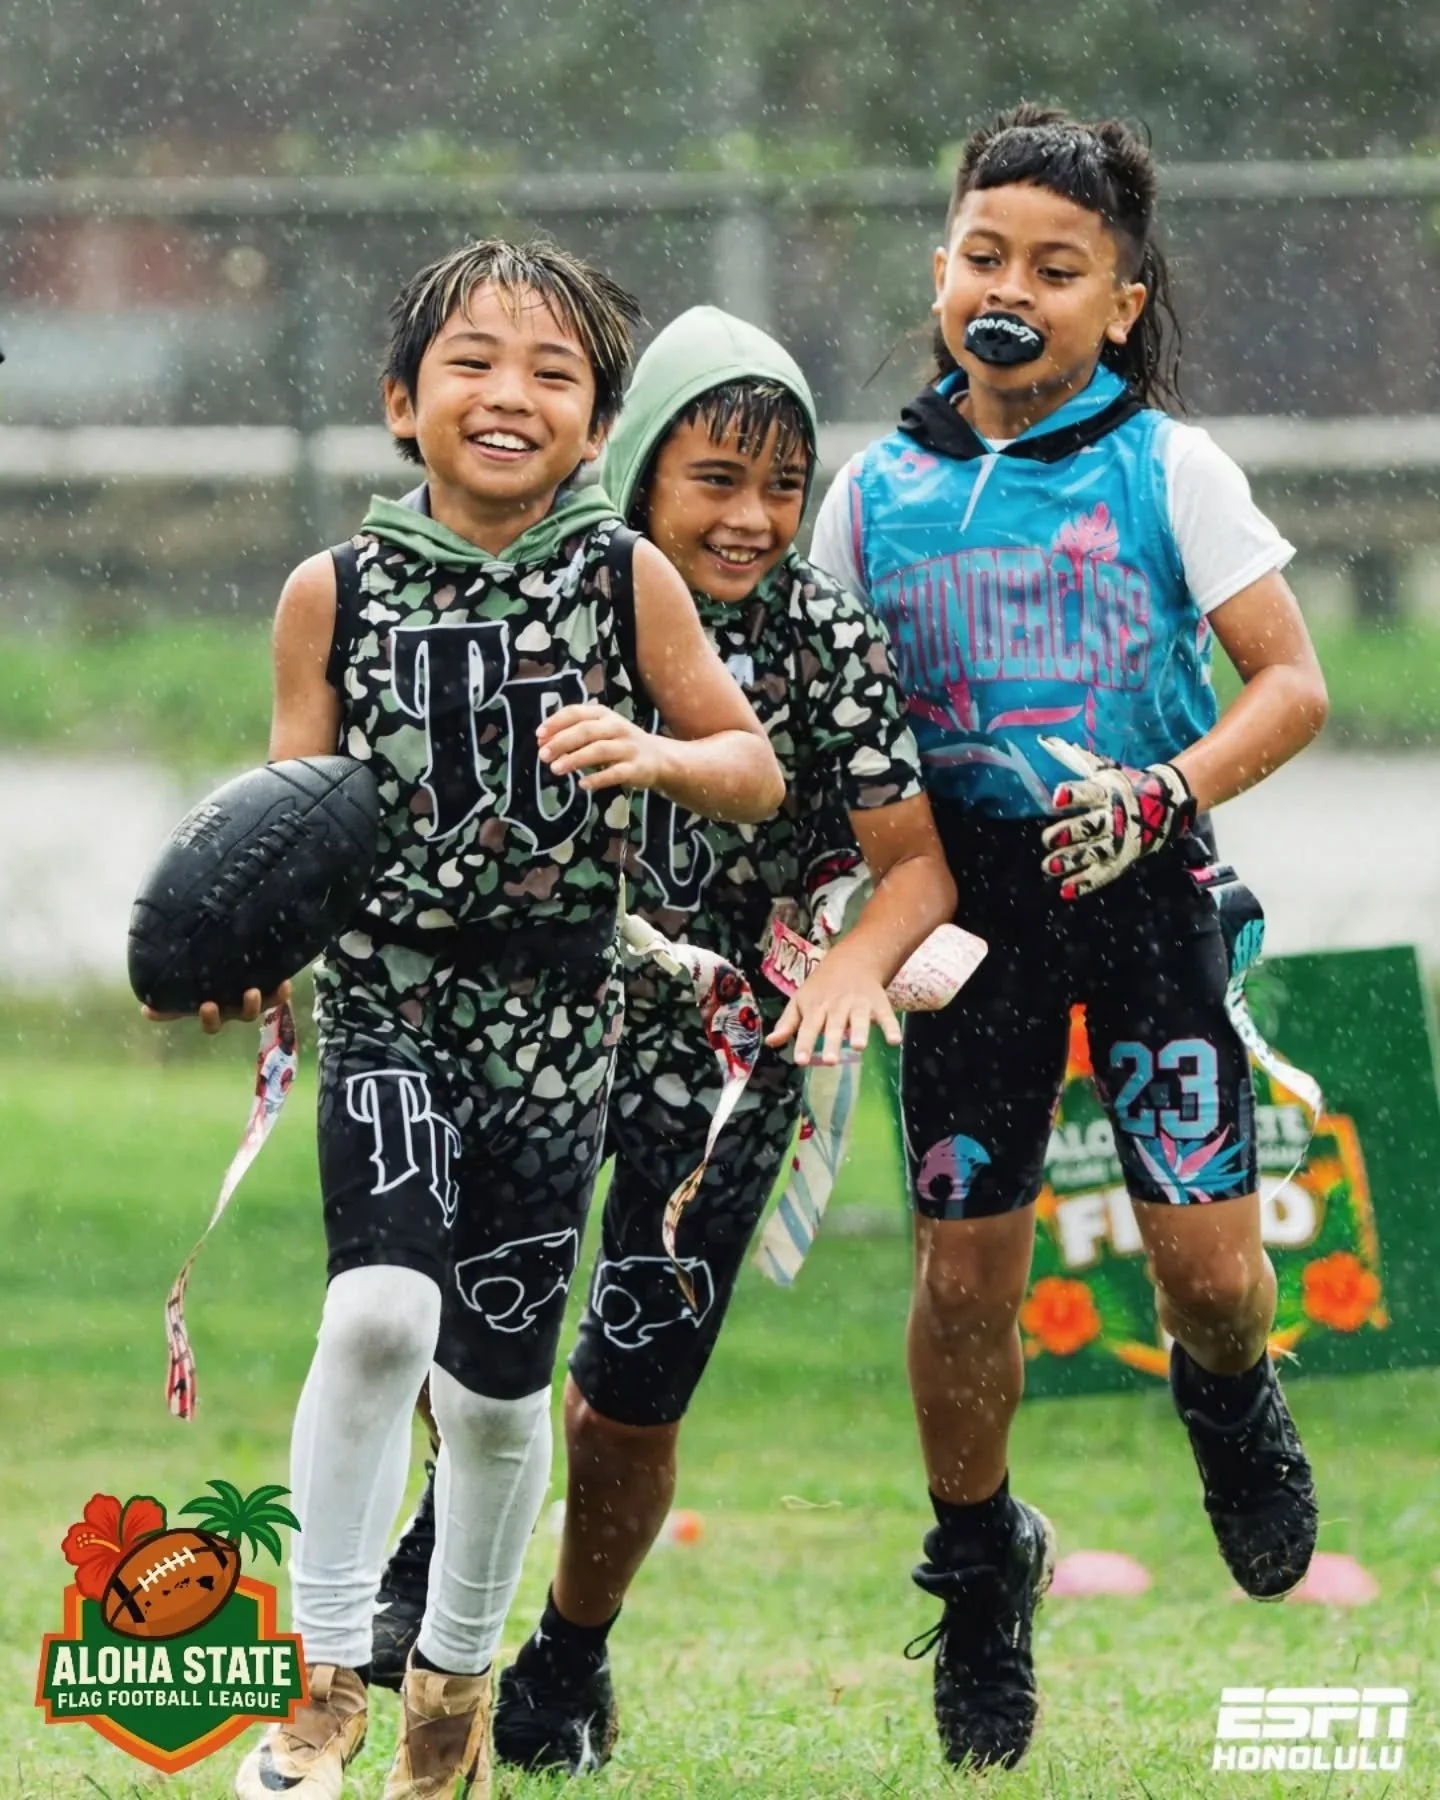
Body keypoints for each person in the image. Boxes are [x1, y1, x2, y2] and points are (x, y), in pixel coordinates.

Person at [154, 240, 784, 1800]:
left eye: (553, 374)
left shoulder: (625, 579)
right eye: (473, 364)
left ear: (597, 427)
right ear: (400, 402)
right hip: (391, 1009)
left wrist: (659, 755)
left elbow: (753, 768)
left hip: (559, 1033)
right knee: (378, 1320)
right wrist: (249, 951)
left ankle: (449, 1709)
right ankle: (320, 1685)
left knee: (497, 1406)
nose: (510, 394)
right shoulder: (332, 592)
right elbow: (288, 818)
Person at [808, 106, 1329, 1772]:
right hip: (963, 918)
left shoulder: (1170, 467)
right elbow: (822, 726)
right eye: (984, 257)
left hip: (1145, 890)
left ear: (1120, 300)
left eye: (1055, 267)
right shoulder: (871, 490)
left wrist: (1168, 790)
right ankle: (980, 1569)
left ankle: (1230, 1396)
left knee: (1212, 1277)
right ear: (937, 273)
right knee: (967, 1273)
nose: (1009, 292)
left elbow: (1292, 683)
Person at [370, 305, 956, 1774]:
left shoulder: (823, 637)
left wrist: (853, 968)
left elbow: (916, 867)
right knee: (479, 1324)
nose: (754, 517)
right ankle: (436, 1546)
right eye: (717, 480)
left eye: (783, 485)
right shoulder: (558, 600)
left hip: (727, 1071)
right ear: (636, 468)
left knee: (633, 1387)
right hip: (541, 1028)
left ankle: (571, 1656)